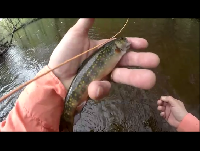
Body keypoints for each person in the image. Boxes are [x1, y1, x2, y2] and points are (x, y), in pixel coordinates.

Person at [0, 18, 196, 132]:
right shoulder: (115, 48)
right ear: (117, 46)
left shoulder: (115, 49)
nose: (124, 41)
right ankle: (66, 117)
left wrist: (56, 79)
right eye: (121, 41)